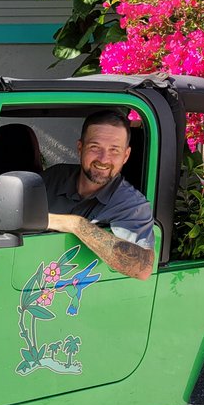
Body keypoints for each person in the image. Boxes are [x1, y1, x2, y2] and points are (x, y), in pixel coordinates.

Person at [43, 109, 155, 280]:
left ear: (126, 156)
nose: (104, 159)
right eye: (95, 147)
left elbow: (141, 268)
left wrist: (76, 224)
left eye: (114, 150)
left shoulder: (132, 205)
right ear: (80, 148)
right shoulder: (54, 177)